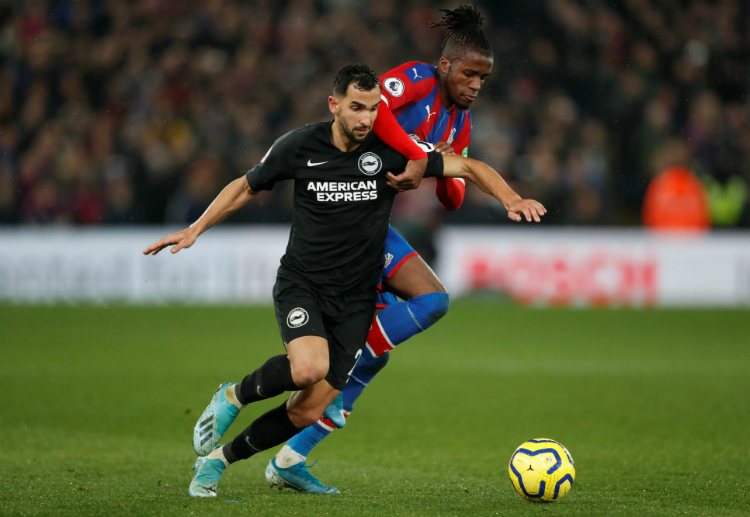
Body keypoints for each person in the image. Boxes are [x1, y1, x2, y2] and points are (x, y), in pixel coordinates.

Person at [144, 63, 545, 498]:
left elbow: (468, 168)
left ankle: (217, 461)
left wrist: (511, 197)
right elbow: (245, 186)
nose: (365, 118)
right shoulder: (299, 145)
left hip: (356, 298)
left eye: (373, 109)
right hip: (304, 283)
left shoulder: (392, 152)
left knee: (309, 408)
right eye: (356, 107)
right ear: (334, 105)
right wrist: (195, 229)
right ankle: (232, 396)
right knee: (308, 369)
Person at [266, 5, 495, 493]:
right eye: (470, 73)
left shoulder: (461, 125)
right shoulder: (416, 79)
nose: (476, 85)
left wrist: (437, 165)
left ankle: (289, 458)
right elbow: (377, 108)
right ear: (447, 65)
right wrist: (419, 154)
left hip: (375, 223)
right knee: (432, 301)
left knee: (378, 355)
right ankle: (333, 372)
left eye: (484, 77)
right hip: (347, 215)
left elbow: (452, 195)